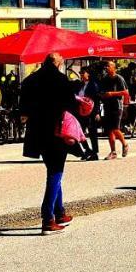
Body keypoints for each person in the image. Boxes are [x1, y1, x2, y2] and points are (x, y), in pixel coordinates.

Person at [19, 52, 80, 235]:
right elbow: (71, 106)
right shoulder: (61, 79)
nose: (62, 63)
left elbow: (23, 112)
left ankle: (59, 212)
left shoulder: (30, 80)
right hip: (57, 131)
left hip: (37, 133)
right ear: (56, 62)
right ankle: (48, 219)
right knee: (55, 172)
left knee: (53, 169)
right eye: (61, 60)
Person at [100, 63, 130, 159]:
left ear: (114, 68)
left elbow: (126, 92)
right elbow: (103, 91)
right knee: (110, 130)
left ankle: (125, 144)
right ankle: (113, 152)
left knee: (115, 128)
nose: (106, 68)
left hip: (117, 106)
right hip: (107, 106)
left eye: (108, 66)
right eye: (106, 66)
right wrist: (102, 95)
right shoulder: (105, 79)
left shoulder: (119, 78)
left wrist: (112, 94)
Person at [75, 66, 101, 162]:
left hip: (91, 112)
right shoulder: (80, 85)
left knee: (92, 133)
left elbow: (97, 100)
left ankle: (95, 153)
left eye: (83, 72)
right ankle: (87, 149)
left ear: (88, 74)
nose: (81, 74)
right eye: (80, 72)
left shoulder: (93, 85)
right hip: (81, 111)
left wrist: (97, 112)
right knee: (79, 132)